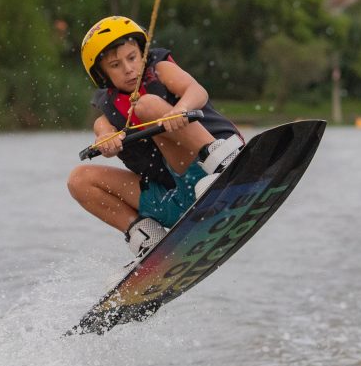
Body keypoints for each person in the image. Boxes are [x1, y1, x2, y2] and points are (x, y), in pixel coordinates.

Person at [67, 16, 243, 264]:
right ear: (102, 74)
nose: (128, 69)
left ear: (143, 53)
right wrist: (106, 140)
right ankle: (147, 237)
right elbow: (101, 128)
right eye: (115, 65)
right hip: (171, 198)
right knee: (78, 179)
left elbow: (197, 91)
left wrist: (178, 111)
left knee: (146, 105)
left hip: (206, 170)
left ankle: (225, 162)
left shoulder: (160, 69)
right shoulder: (107, 109)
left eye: (132, 57)